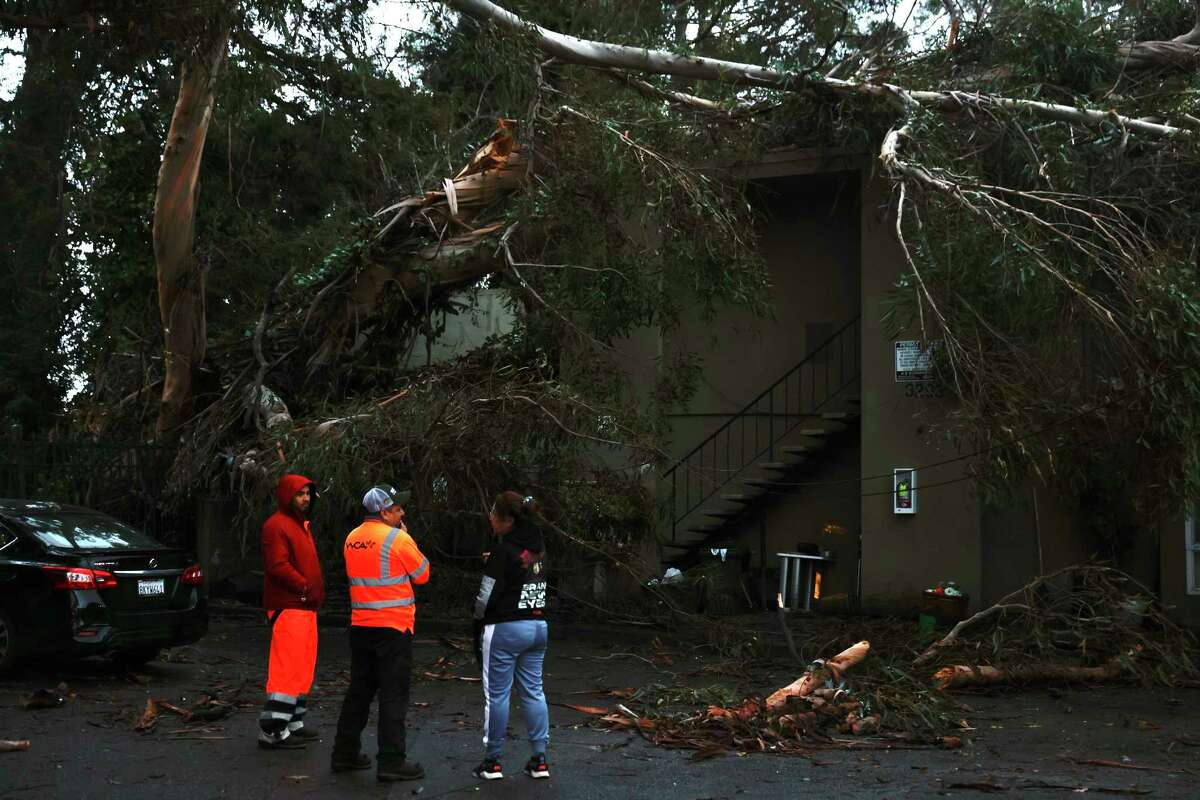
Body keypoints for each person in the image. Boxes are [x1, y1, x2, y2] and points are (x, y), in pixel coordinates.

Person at [331, 484, 430, 782]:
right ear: (384, 511)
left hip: (361, 627)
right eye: (398, 508)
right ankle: (390, 761)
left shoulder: (351, 538)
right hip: (393, 629)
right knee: (393, 696)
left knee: (359, 692)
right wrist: (408, 536)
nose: (402, 512)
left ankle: (344, 755)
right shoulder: (398, 538)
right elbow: (423, 575)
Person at [472, 491, 550, 781]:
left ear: (507, 520)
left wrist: (476, 620)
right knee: (533, 691)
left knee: (497, 696)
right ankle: (539, 759)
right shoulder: (539, 547)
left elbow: (485, 597)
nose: (490, 518)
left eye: (493, 513)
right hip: (538, 626)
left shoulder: (503, 552)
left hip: (504, 629)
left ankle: (492, 762)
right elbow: (522, 565)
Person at [258, 473, 325, 749]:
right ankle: (272, 730)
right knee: (287, 669)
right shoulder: (277, 525)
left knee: (301, 666)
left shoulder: (298, 525)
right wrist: (305, 587)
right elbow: (277, 566)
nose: (306, 498)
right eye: (300, 494)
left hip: (303, 606)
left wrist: (308, 592)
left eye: (308, 494)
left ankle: (291, 722)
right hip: (290, 605)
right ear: (287, 496)